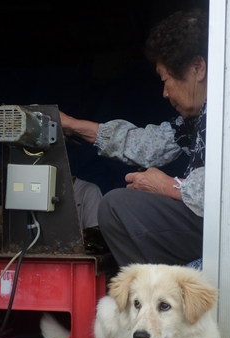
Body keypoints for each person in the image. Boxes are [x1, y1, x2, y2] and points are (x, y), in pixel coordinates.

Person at [60, 9, 208, 267]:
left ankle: (158, 291)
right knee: (121, 203)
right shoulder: (192, 122)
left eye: (166, 79)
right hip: (206, 224)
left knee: (116, 206)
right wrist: (73, 125)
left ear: (197, 68)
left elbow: (228, 192)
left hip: (227, 230)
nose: (164, 92)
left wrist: (166, 186)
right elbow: (144, 144)